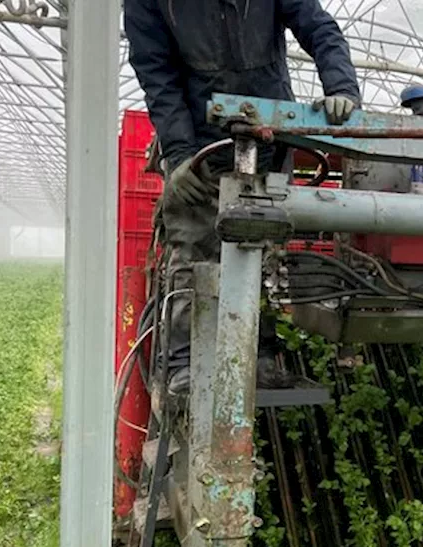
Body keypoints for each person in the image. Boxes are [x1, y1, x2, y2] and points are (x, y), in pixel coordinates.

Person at [125, 0, 362, 397]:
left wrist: (341, 88)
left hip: (269, 130)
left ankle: (261, 355)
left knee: (264, 244)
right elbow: (158, 77)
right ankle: (183, 362)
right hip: (199, 136)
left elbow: (320, 29)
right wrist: (181, 157)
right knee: (194, 245)